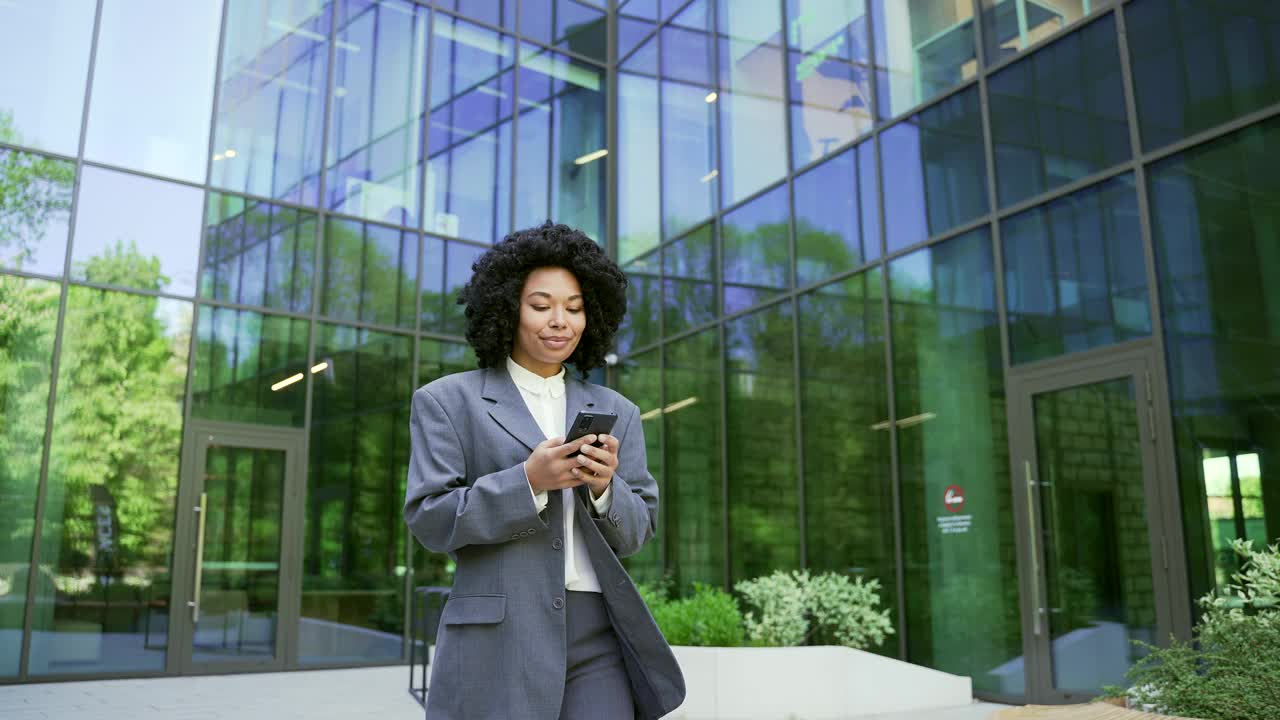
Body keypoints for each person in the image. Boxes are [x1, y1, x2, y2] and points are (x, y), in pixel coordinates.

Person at [403, 222, 686, 720]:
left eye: (574, 308)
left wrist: (603, 488)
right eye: (541, 306)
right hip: (500, 637)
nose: (560, 321)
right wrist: (528, 482)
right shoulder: (447, 402)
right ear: (507, 307)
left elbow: (640, 529)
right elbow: (430, 519)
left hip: (598, 635)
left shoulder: (618, 409)